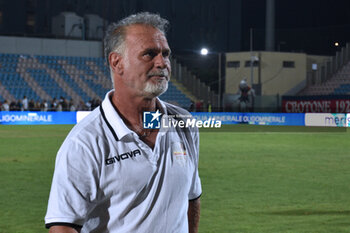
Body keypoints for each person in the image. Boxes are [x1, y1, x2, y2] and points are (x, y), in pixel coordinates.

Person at [45, 12, 202, 233]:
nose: (162, 62)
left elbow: (191, 197)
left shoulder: (183, 123)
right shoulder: (85, 142)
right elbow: (63, 226)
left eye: (165, 54)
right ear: (117, 62)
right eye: (149, 54)